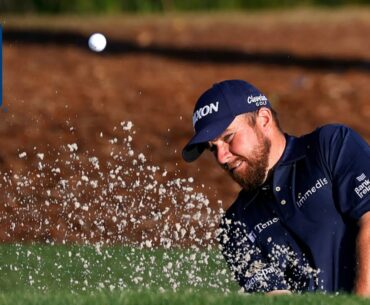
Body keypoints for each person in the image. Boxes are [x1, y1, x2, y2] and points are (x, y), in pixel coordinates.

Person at [182, 79, 370, 296]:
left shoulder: (330, 146)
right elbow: (276, 299)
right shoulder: (235, 225)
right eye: (212, 148)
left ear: (263, 119)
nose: (222, 157)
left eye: (229, 137)